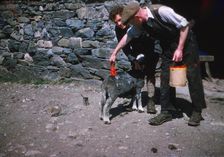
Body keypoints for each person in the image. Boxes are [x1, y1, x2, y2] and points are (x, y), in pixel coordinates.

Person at [109, 1, 206, 126]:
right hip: (168, 47)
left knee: (193, 76)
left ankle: (197, 111)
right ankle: (167, 111)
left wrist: (180, 48)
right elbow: (128, 36)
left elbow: (184, 25)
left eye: (131, 22)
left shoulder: (162, 11)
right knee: (165, 77)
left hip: (186, 43)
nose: (130, 25)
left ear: (137, 17)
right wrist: (114, 53)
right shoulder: (140, 23)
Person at [109, 5, 160, 113]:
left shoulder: (135, 22)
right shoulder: (119, 29)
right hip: (136, 52)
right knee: (135, 76)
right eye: (115, 22)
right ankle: (135, 100)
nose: (118, 23)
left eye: (119, 20)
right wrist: (133, 59)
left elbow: (151, 38)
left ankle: (151, 101)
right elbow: (124, 46)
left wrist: (147, 56)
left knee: (150, 74)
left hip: (150, 48)